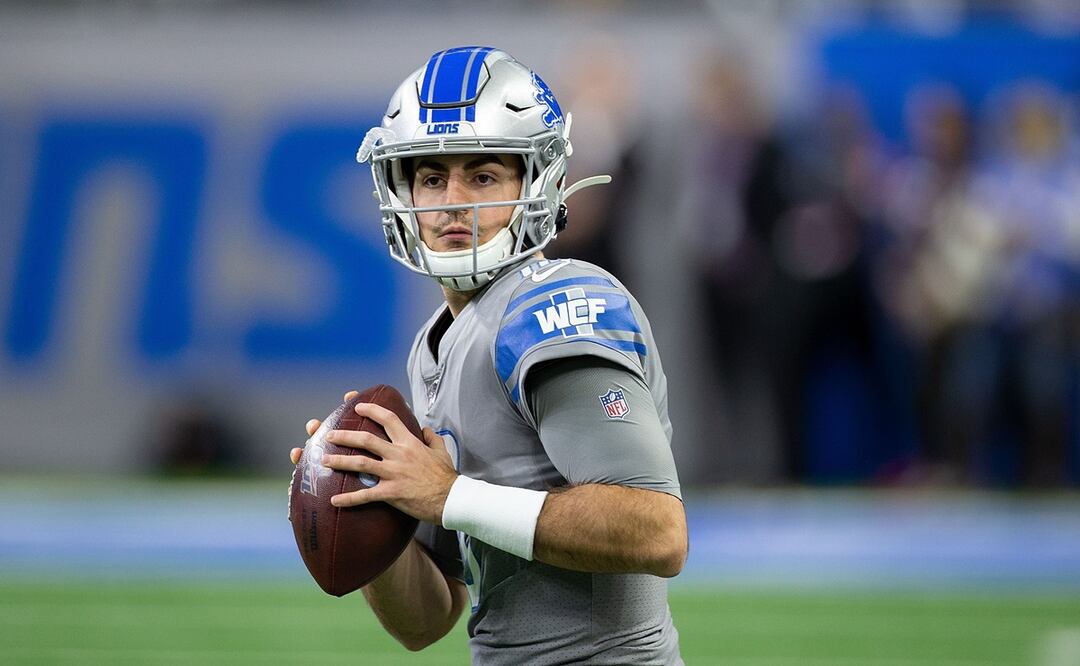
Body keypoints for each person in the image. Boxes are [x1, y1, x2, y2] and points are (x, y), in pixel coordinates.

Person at [289, 46, 687, 664]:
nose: (453, 201)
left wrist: (449, 495)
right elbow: (427, 622)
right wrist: (367, 505)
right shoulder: (436, 341)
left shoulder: (557, 304)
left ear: (536, 182)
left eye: (482, 176)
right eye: (431, 178)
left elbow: (657, 532)